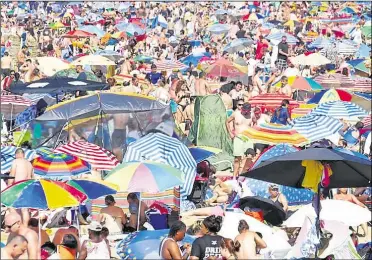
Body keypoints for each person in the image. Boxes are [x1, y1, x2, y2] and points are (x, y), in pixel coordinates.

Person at [226, 102, 255, 178]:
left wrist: (253, 132)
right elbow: (227, 121)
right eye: (244, 110)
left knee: (249, 156)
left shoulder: (251, 115)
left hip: (248, 137)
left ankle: (243, 173)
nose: (246, 112)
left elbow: (255, 123)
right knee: (237, 158)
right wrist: (230, 133)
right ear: (242, 109)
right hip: (238, 137)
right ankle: (234, 177)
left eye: (247, 111)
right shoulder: (236, 114)